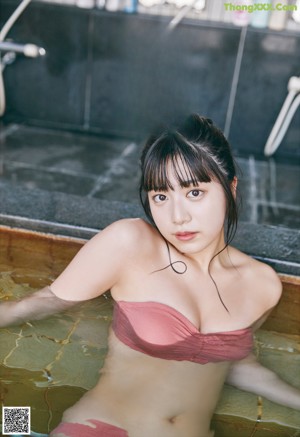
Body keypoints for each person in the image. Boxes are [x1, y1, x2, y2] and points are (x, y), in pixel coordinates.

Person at [1, 114, 299, 437]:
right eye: (160, 196)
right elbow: (45, 301)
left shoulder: (263, 285)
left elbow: (231, 364)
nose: (177, 216)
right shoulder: (131, 244)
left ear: (230, 187)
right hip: (100, 429)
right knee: (12, 420)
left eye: (194, 193)